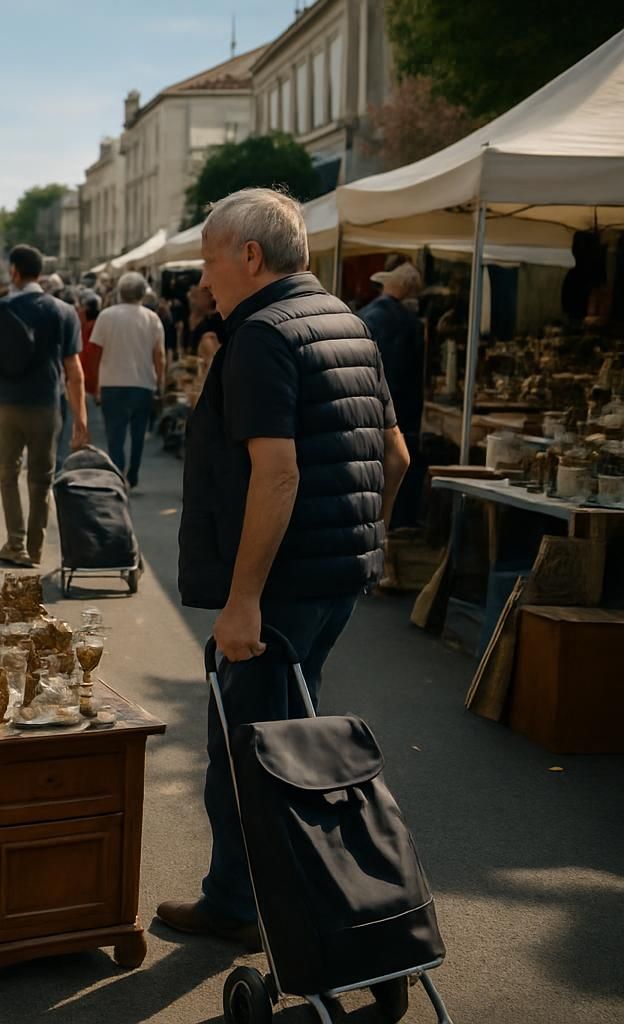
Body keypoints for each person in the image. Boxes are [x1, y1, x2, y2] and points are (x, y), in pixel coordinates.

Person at [159, 187, 410, 946]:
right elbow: (394, 456)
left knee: (250, 750)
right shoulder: (347, 321)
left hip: (283, 586)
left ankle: (244, 903)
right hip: (334, 575)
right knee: (289, 739)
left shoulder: (263, 333)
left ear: (249, 256)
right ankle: (290, 898)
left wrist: (244, 600)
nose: (203, 281)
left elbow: (278, 474)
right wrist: (364, 537)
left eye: (208, 261)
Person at [0, 245, 89, 567]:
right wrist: (81, 418)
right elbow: (74, 371)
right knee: (41, 478)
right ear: (41, 273)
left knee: (8, 474)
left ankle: (15, 542)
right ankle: (34, 548)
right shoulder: (63, 311)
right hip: (47, 404)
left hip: (7, 405)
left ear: (14, 272)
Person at [360, 262, 425, 530]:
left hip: (369, 407)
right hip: (403, 411)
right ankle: (394, 523)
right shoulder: (411, 323)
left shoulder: (365, 315)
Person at [89, 272, 166, 488]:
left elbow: (95, 352)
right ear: (143, 294)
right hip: (143, 384)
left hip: (112, 383)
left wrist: (95, 384)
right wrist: (160, 382)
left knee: (115, 433)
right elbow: (159, 356)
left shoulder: (106, 316)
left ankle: (117, 473)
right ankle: (133, 472)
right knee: (138, 433)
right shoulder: (152, 318)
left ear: (119, 292)